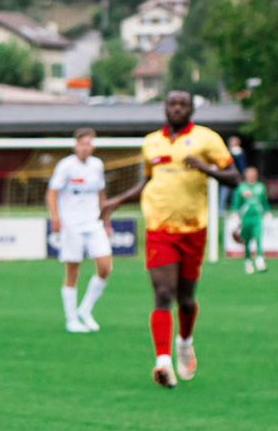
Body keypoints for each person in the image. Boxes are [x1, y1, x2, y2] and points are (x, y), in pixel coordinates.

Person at [102, 90, 239, 389]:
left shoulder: (207, 139)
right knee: (163, 293)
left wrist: (205, 169)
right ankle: (162, 362)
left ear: (191, 109)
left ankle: (184, 342)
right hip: (159, 228)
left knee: (186, 300)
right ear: (164, 108)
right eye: (172, 104)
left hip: (194, 229)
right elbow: (149, 181)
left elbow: (235, 177)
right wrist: (117, 201)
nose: (177, 108)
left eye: (183, 104)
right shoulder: (151, 142)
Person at [47, 127, 114, 332]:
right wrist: (55, 218)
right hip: (72, 225)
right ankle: (71, 320)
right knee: (73, 271)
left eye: (89, 143)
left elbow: (101, 194)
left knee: (105, 267)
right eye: (82, 143)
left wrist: (106, 220)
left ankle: (85, 309)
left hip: (94, 223)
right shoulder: (66, 166)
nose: (86, 147)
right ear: (75, 145)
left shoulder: (97, 165)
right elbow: (52, 193)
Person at [232, 165, 270, 274]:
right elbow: (237, 202)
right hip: (245, 218)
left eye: (253, 174)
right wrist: (235, 213)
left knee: (258, 238)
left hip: (257, 217)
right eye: (249, 173)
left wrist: (267, 211)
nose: (251, 176)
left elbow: (264, 201)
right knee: (247, 240)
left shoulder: (261, 187)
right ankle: (247, 261)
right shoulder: (241, 187)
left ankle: (260, 261)